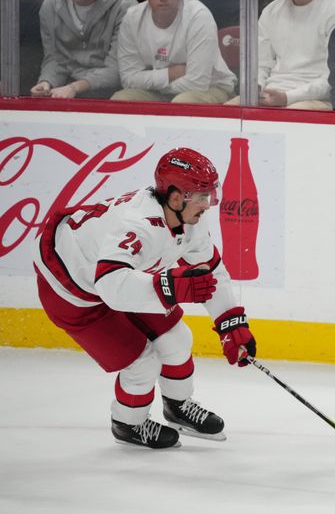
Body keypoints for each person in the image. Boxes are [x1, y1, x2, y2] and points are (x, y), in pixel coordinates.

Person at [33, 148, 257, 449]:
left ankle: (177, 407)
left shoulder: (189, 219)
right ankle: (128, 423)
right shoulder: (137, 226)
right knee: (142, 363)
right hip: (72, 291)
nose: (208, 204)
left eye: (209, 194)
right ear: (176, 197)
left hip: (124, 274)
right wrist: (169, 288)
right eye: (202, 195)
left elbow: (210, 271)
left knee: (178, 339)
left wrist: (229, 321)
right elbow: (111, 287)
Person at [112, 0, 236, 103]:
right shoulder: (132, 18)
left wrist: (153, 83)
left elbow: (197, 83)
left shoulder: (198, 16)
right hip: (156, 91)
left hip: (211, 87)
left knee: (183, 102)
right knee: (121, 99)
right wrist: (170, 74)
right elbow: (128, 79)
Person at [227, 0, 335, 108]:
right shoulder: (271, 11)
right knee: (228, 110)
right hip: (271, 92)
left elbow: (334, 78)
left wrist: (288, 98)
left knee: (291, 114)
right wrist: (256, 87)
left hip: (318, 98)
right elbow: (261, 64)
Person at [30, 0, 136, 99]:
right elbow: (54, 59)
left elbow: (119, 69)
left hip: (113, 92)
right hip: (67, 89)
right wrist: (46, 82)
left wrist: (74, 87)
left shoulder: (124, 5)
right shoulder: (49, 6)